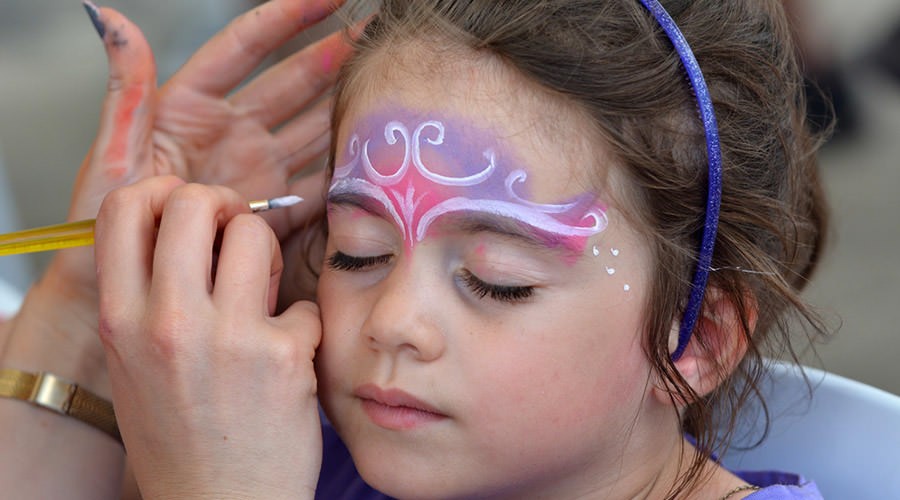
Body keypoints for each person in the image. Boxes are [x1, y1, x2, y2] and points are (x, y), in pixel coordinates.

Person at [0, 0, 830, 499]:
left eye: (496, 281)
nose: (392, 322)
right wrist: (84, 303)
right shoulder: (291, 450)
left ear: (698, 339)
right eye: (358, 251)